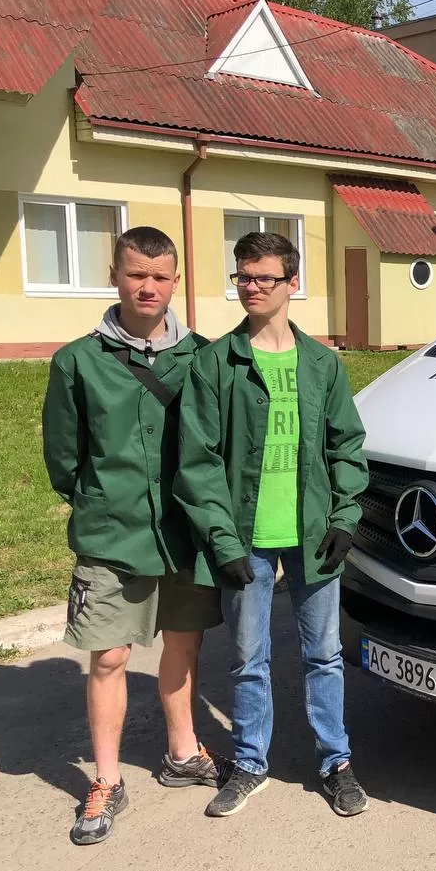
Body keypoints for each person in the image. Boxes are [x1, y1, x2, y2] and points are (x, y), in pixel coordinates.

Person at [42, 226, 229, 846]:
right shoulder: (77, 361)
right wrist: (100, 502)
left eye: (159, 276)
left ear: (175, 281)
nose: (147, 287)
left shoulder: (202, 357)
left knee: (184, 643)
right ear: (115, 277)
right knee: (110, 656)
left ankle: (182, 752)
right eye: (135, 274)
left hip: (184, 529)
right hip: (111, 533)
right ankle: (106, 778)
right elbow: (63, 458)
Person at [175, 231, 370, 818]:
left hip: (314, 536)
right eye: (243, 276)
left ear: (292, 283)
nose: (252, 287)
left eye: (264, 277)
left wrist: (345, 516)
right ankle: (250, 763)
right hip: (245, 540)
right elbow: (198, 460)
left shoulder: (322, 364)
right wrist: (223, 539)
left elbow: (346, 445)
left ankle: (336, 762)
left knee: (324, 656)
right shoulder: (215, 363)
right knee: (247, 659)